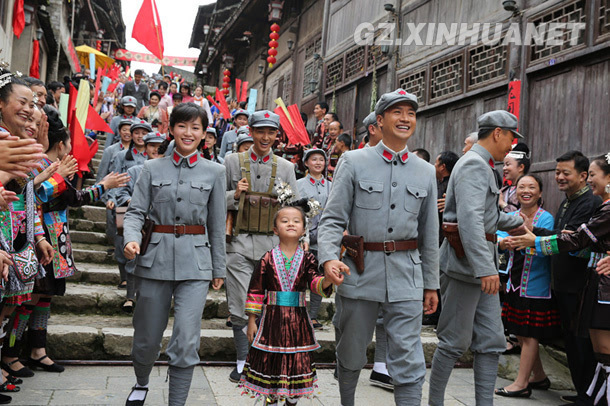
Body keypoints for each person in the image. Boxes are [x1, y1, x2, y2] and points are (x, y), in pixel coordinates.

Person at [318, 89, 440, 405]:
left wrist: (431, 285)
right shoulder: (353, 161)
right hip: (359, 274)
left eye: (411, 113)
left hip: (407, 277)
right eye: (397, 113)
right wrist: (329, 258)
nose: (405, 119)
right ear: (380, 120)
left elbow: (429, 233)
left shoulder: (425, 171)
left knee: (409, 359)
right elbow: (332, 218)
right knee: (351, 350)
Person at [3, 114, 128, 377]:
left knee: (43, 298)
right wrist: (103, 186)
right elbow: (54, 196)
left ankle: (37, 350)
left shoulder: (49, 164)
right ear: (60, 144)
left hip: (54, 237)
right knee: (27, 298)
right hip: (39, 236)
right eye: (69, 143)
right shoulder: (39, 165)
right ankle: (12, 353)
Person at [122, 103, 226, 406]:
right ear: (172, 129)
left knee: (186, 337)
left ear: (205, 134)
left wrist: (218, 268)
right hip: (154, 261)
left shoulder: (215, 172)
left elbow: (217, 225)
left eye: (196, 127)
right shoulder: (152, 168)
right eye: (183, 126)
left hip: (196, 265)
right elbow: (135, 213)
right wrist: (131, 239)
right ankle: (141, 382)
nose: (189, 132)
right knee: (146, 338)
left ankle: (176, 402)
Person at [428, 110, 525, 405]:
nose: (511, 144)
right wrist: (486, 269)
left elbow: (487, 216)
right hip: (465, 268)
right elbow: (469, 220)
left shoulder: (482, 164)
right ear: (497, 133)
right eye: (510, 137)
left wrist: (519, 221)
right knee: (453, 342)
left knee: (491, 342)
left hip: (479, 268)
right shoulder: (474, 165)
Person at [508, 154, 610, 405]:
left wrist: (537, 239)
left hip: (590, 284)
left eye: (594, 175)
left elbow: (578, 239)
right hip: (582, 283)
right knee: (586, 345)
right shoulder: (575, 202)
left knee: (598, 349)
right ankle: (587, 394)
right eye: (557, 172)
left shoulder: (597, 205)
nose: (560, 177)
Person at [223, 110, 299, 383]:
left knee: (269, 305)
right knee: (240, 305)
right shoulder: (232, 162)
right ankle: (243, 360)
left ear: (277, 135)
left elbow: (295, 211)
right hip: (239, 244)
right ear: (250, 131)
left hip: (272, 247)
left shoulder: (287, 168)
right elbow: (215, 202)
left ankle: (264, 358)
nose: (265, 137)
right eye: (260, 131)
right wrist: (235, 194)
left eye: (271, 132)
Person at [239, 204, 335, 405]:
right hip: (271, 320)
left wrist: (327, 280)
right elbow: (256, 290)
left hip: (298, 321)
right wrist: (251, 321)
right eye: (284, 221)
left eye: (296, 221)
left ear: (303, 230)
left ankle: (292, 400)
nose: (290, 223)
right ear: (275, 229)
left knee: (296, 362)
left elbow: (315, 283)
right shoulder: (267, 258)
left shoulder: (308, 259)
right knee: (271, 362)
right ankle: (270, 399)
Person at [494, 174, 561, 398]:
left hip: (535, 284)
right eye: (521, 186)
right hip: (514, 282)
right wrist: (510, 241)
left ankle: (521, 383)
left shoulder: (546, 218)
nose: (526, 190)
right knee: (521, 334)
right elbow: (500, 240)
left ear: (540, 193)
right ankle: (539, 376)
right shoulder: (511, 216)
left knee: (530, 334)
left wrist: (525, 238)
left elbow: (544, 246)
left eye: (532, 187)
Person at [114, 131, 166, 313]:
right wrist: (131, 201)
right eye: (152, 146)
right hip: (138, 222)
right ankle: (130, 296)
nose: (156, 150)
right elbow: (120, 192)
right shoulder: (134, 171)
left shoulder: (169, 173)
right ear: (146, 148)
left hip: (159, 224)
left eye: (160, 147)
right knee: (133, 258)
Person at [107, 121, 151, 292]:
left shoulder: (152, 157)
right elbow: (114, 178)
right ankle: (124, 277)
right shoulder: (121, 156)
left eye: (144, 133)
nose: (140, 137)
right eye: (137, 133)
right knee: (121, 240)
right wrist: (111, 197)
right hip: (123, 202)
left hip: (146, 207)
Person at [297, 148, 332, 330]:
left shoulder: (331, 185)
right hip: (302, 239)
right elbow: (296, 213)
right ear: (306, 163)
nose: (318, 163)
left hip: (323, 239)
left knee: (319, 276)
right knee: (301, 276)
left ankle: (313, 315)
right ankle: (299, 313)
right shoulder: (298, 185)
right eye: (314, 159)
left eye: (321, 160)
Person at [425, 151, 459, 326]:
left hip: (446, 239)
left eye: (436, 163)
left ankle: (437, 314)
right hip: (437, 237)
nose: (434, 167)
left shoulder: (450, 186)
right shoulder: (437, 183)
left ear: (443, 166)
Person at [500, 143, 531, 213]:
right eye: (503, 165)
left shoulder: (530, 191)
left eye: (508, 164)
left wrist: (502, 204)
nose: (504, 168)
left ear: (521, 167)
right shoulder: (503, 190)